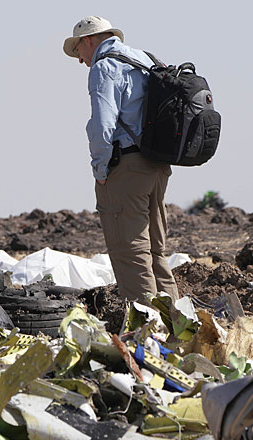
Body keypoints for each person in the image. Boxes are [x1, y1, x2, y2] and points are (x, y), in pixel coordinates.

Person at [63, 16, 179, 303]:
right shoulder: (146, 59)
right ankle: (178, 331)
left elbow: (102, 126)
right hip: (158, 165)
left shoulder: (104, 67)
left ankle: (148, 335)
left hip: (126, 167)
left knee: (130, 254)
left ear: (88, 40)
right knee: (155, 253)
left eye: (78, 51)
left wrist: (100, 170)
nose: (81, 60)